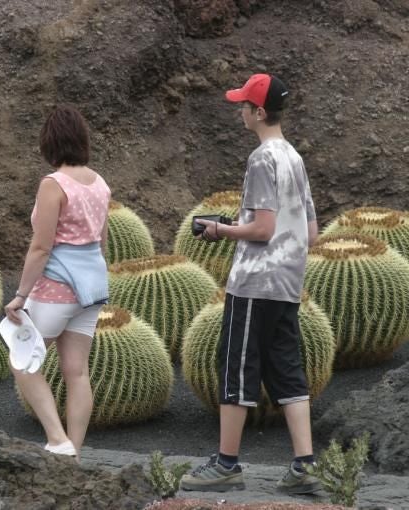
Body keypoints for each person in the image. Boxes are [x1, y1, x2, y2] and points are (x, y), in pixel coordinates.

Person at [181, 74, 321, 494]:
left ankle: (226, 464)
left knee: (236, 368)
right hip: (287, 282)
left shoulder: (262, 159)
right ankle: (305, 466)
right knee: (287, 371)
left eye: (243, 105)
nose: (239, 111)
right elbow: (311, 232)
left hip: (255, 283)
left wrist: (219, 230)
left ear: (260, 112)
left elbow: (261, 229)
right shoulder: (294, 157)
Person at [3, 104, 111, 460]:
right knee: (76, 372)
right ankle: (73, 453)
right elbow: (102, 240)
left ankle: (57, 439)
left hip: (56, 289)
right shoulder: (100, 184)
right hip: (91, 289)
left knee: (22, 361)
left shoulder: (54, 185)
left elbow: (41, 246)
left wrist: (21, 294)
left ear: (48, 142)